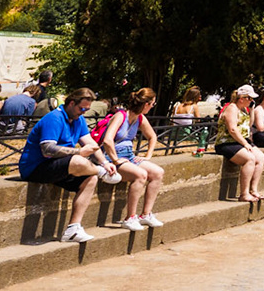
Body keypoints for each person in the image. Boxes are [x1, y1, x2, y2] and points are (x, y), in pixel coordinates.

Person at [17, 87, 121, 244]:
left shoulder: (79, 120)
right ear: (72, 103)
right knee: (80, 161)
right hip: (36, 168)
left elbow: (90, 144)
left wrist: (105, 162)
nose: (84, 112)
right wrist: (80, 153)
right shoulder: (54, 118)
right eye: (81, 108)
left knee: (90, 179)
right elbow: (47, 150)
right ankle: (100, 172)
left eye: (86, 109)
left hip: (57, 167)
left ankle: (73, 228)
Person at [99, 88, 165, 230]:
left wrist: (148, 156)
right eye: (152, 103)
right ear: (146, 104)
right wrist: (116, 160)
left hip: (128, 156)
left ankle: (145, 214)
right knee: (141, 175)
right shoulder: (120, 116)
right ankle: (130, 218)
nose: (153, 106)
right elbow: (108, 140)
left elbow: (152, 136)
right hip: (111, 157)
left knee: (158, 172)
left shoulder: (140, 117)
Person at [215, 85, 264, 203]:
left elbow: (248, 125)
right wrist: (245, 144)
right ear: (241, 98)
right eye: (250, 99)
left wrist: (252, 110)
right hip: (227, 142)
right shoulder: (232, 108)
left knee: (260, 157)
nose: (252, 101)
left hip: (240, 141)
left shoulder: (244, 110)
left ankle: (253, 189)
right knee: (249, 159)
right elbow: (232, 129)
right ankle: (244, 194)